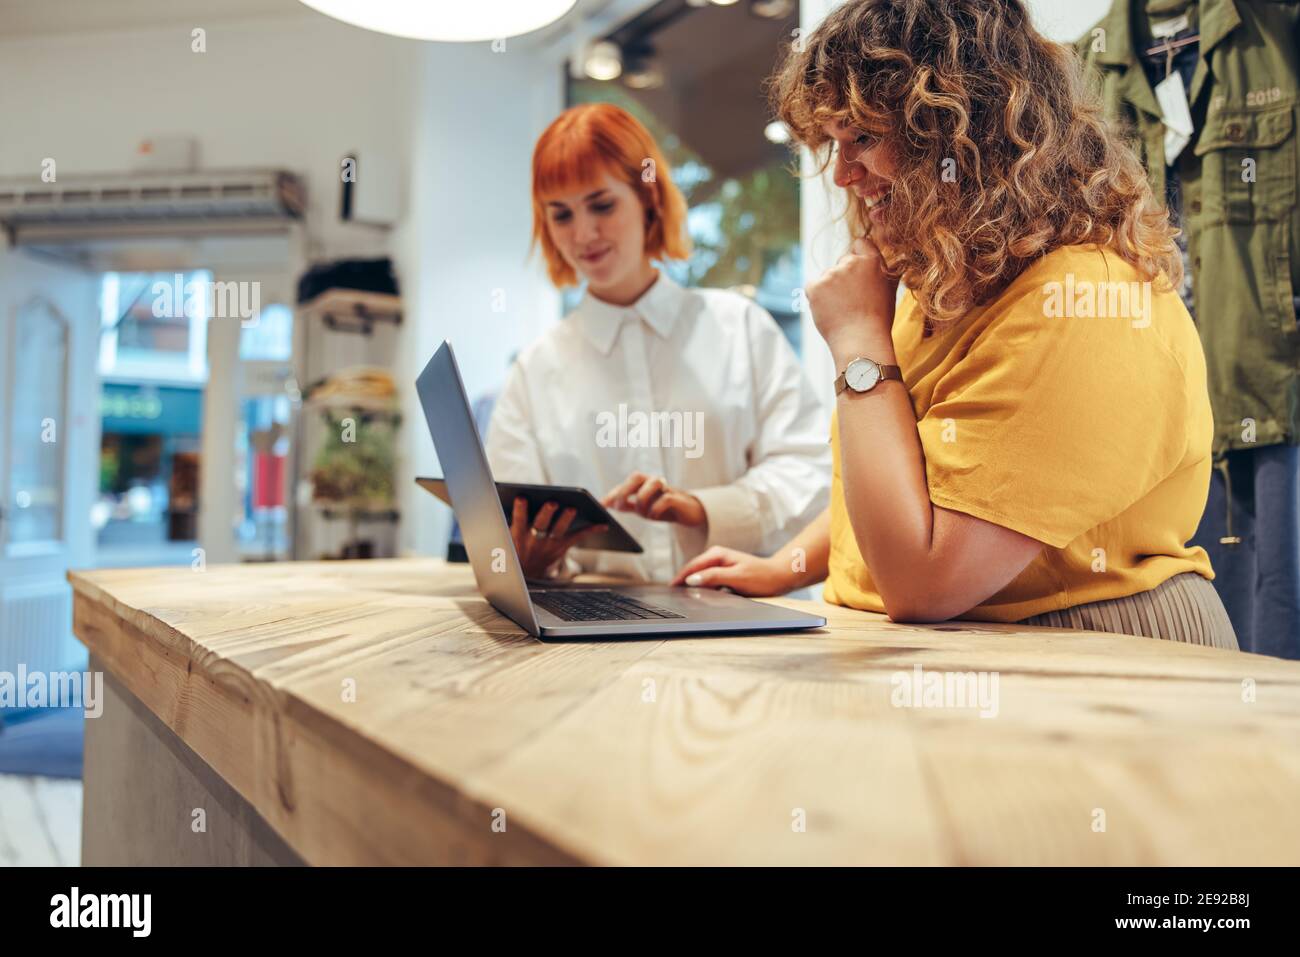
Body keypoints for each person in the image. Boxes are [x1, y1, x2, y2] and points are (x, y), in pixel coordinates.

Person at [672, 0, 1238, 647]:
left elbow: (924, 583)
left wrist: (858, 341)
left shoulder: (1085, 301)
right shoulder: (947, 284)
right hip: (969, 649)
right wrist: (785, 564)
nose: (843, 172)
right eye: (833, 141)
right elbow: (927, 485)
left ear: (960, 130)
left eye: (863, 136)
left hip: (1097, 651)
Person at [486, 103, 830, 582]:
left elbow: (814, 477)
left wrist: (703, 510)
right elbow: (507, 525)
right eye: (561, 215)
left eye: (602, 205)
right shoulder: (534, 369)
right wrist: (529, 561)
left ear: (647, 198)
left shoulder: (741, 328)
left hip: (744, 621)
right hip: (597, 628)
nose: (584, 234)